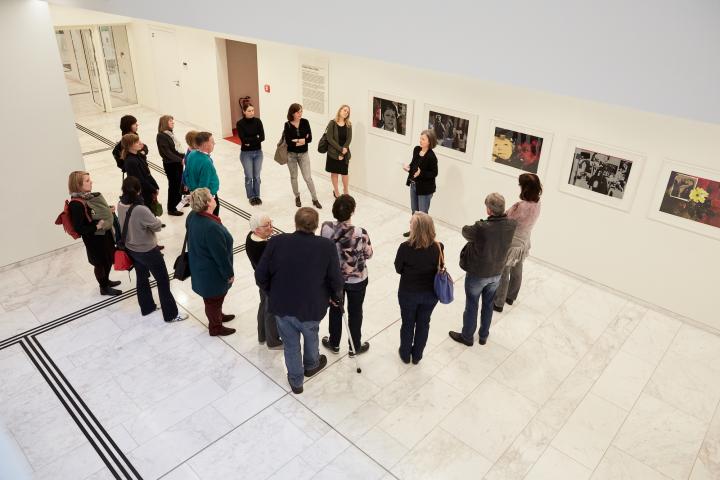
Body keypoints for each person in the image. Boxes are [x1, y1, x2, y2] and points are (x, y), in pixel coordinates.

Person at [255, 207, 343, 394]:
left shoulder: (277, 242)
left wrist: (271, 292)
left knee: (290, 344)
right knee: (311, 335)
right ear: (316, 225)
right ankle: (311, 365)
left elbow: (260, 275)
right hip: (312, 307)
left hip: (282, 305)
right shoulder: (326, 246)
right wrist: (336, 296)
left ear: (295, 223)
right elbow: (336, 279)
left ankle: (296, 381)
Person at [449, 193, 517, 347]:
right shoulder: (511, 225)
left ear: (489, 210)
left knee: (472, 304)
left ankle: (467, 337)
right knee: (488, 304)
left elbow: (465, 231)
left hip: (478, 274)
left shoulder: (481, 227)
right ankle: (483, 336)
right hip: (497, 272)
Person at [117, 177, 188, 323]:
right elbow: (156, 226)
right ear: (139, 190)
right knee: (163, 281)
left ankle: (147, 307)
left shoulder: (120, 204)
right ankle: (171, 315)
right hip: (148, 250)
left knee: (142, 278)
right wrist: (157, 222)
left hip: (131, 249)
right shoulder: (140, 209)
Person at [320, 195, 373, 356]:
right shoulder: (360, 233)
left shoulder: (326, 228)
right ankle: (354, 346)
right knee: (356, 312)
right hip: (357, 280)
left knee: (335, 310)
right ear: (353, 211)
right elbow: (369, 254)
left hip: (335, 280)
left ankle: (334, 343)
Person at [186, 188, 236, 336]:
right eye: (211, 197)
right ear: (207, 203)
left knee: (214, 299)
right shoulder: (211, 228)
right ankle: (215, 327)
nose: (214, 198)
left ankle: (218, 315)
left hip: (200, 266)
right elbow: (220, 255)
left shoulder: (192, 216)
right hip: (211, 273)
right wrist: (229, 274)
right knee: (213, 300)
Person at [394, 212, 442, 365]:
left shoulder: (405, 247)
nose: (409, 224)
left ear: (416, 228)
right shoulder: (438, 247)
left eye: (411, 223)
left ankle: (405, 353)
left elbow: (398, 268)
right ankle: (417, 356)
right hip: (430, 294)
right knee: (424, 323)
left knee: (408, 323)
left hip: (409, 293)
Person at [67, 171, 121, 296]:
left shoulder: (86, 197)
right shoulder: (76, 204)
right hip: (94, 239)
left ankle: (106, 281)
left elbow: (92, 213)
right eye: (87, 181)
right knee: (100, 263)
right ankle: (104, 287)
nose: (91, 182)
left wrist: (107, 209)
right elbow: (80, 228)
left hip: (102, 234)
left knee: (107, 259)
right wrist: (96, 226)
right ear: (78, 184)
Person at [494, 174, 542, 312]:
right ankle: (511, 296)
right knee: (517, 268)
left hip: (512, 242)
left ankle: (498, 302)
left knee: (504, 271)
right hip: (524, 240)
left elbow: (507, 219)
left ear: (525, 188)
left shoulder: (521, 206)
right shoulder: (538, 203)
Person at [246, 212, 282, 349]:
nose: (271, 227)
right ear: (257, 230)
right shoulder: (265, 247)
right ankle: (273, 342)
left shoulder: (250, 237)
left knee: (263, 306)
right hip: (270, 284)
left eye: (270, 223)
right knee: (271, 311)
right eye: (266, 225)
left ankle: (262, 335)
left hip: (261, 281)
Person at [284, 103, 321, 209]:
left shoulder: (305, 122)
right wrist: (303, 140)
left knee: (308, 178)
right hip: (291, 155)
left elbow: (310, 139)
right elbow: (289, 142)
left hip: (304, 154)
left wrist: (297, 140)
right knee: (294, 177)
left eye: (301, 111)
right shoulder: (287, 125)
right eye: (298, 112)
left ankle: (315, 199)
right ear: (292, 113)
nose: (300, 113)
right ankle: (297, 197)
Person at [402, 130, 439, 236]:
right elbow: (414, 164)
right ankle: (414, 232)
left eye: (423, 139)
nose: (420, 141)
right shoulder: (416, 149)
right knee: (414, 211)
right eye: (420, 138)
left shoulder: (431, 156)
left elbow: (434, 173)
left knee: (422, 214)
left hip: (425, 189)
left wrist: (421, 173)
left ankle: (424, 236)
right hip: (414, 185)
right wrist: (408, 168)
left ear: (429, 141)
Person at [121, 133, 160, 216]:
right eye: (136, 142)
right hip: (142, 190)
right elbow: (141, 180)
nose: (140, 143)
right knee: (146, 208)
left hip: (147, 188)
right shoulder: (131, 161)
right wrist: (152, 189)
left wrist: (155, 186)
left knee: (150, 207)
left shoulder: (138, 155)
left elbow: (147, 173)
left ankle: (153, 220)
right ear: (130, 145)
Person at [184, 132, 221, 216]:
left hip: (195, 194)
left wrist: (192, 190)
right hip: (208, 198)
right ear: (205, 144)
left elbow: (186, 174)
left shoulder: (191, 154)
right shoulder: (206, 162)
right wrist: (205, 201)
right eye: (212, 141)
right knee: (212, 219)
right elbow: (204, 185)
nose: (214, 143)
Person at [236, 104, 265, 206]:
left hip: (258, 153)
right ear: (244, 111)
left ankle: (257, 196)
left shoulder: (258, 121)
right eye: (249, 111)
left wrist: (250, 140)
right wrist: (255, 138)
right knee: (249, 177)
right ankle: (251, 197)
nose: (252, 112)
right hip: (246, 154)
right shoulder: (240, 124)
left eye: (253, 110)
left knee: (257, 176)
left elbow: (262, 137)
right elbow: (243, 140)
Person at [156, 115, 184, 216]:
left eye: (173, 121)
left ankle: (179, 203)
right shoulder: (161, 136)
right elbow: (167, 153)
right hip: (171, 165)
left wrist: (183, 157)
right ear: (164, 123)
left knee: (179, 183)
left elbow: (175, 149)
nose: (173, 122)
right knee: (173, 186)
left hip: (177, 163)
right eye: (170, 121)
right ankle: (172, 208)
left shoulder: (169, 134)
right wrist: (180, 159)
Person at [324, 105, 353, 198]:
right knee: (334, 172)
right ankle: (336, 191)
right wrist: (340, 150)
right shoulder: (332, 123)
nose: (346, 112)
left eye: (347, 112)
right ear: (340, 110)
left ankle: (346, 190)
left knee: (344, 173)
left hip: (344, 153)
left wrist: (342, 152)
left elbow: (349, 139)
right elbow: (329, 138)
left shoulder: (349, 124)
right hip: (333, 153)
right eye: (344, 110)